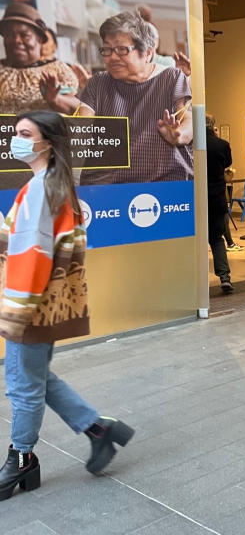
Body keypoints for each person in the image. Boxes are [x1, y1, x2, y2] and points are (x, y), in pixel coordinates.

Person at [0, 111, 135, 498]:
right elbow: (26, 243)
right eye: (15, 133)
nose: (16, 139)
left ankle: (21, 460)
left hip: (29, 306)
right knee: (37, 379)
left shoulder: (41, 190)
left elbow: (30, 257)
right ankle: (99, 429)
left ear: (48, 142)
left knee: (23, 386)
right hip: (46, 304)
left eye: (25, 133)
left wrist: (15, 314)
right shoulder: (50, 186)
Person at [77, 12, 193, 184]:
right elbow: (82, 127)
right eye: (107, 49)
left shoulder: (171, 77)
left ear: (147, 53)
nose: (112, 57)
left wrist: (178, 135)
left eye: (122, 50)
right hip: (107, 186)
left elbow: (188, 122)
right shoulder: (98, 83)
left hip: (162, 184)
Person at [0, 3, 83, 114]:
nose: (16, 40)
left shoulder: (56, 69)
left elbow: (78, 108)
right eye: (10, 34)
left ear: (39, 39)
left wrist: (56, 100)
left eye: (25, 35)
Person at [206, 116, 233, 294]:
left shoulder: (190, 144)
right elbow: (228, 163)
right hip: (217, 198)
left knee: (196, 240)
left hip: (197, 199)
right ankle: (224, 277)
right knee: (217, 238)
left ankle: (195, 278)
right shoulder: (222, 145)